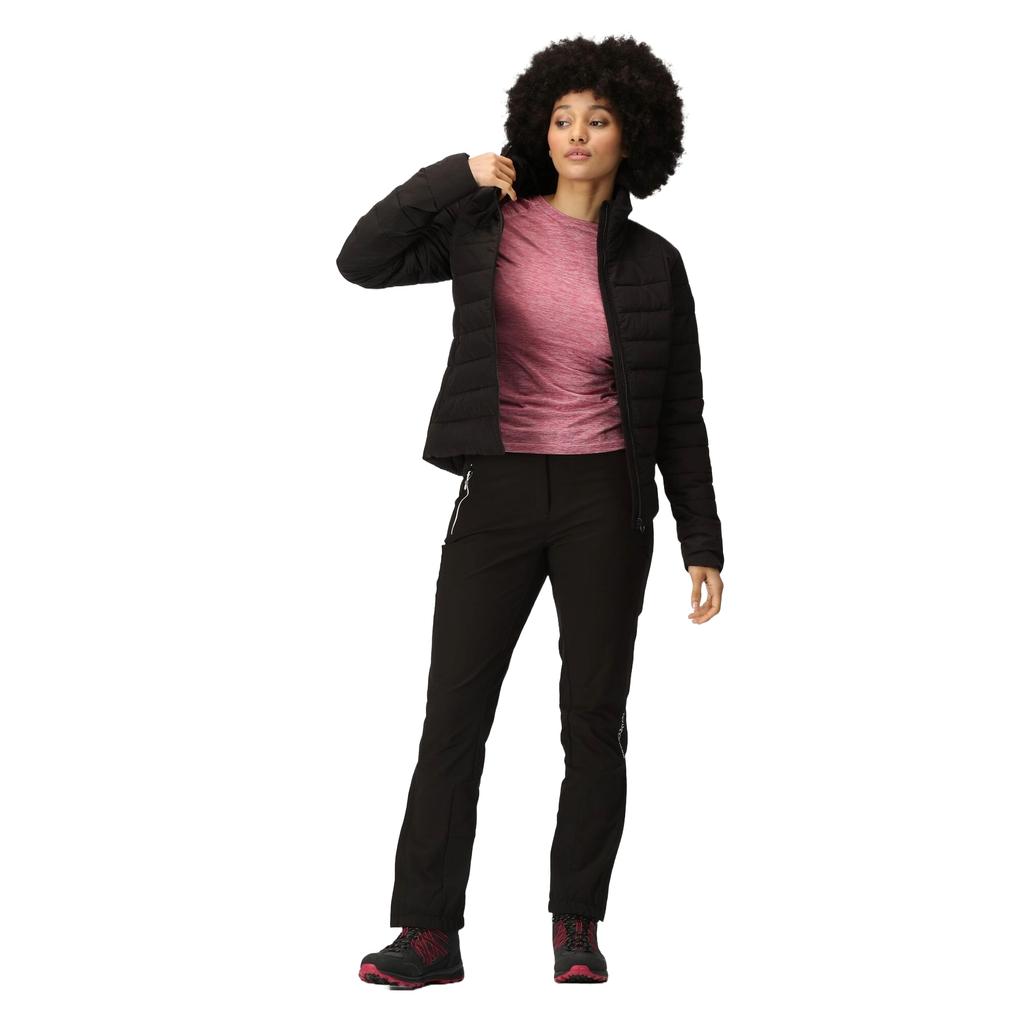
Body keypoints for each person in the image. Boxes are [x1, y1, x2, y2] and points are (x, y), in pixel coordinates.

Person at [337, 34, 725, 987]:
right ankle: (428, 932)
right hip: (500, 491)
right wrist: (455, 174)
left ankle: (576, 924)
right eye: (561, 118)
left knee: (593, 719)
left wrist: (702, 541)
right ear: (538, 129)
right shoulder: (487, 227)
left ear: (632, 135)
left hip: (607, 502)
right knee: (454, 713)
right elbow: (361, 260)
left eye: (598, 118)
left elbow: (680, 411)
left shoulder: (656, 263)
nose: (576, 134)